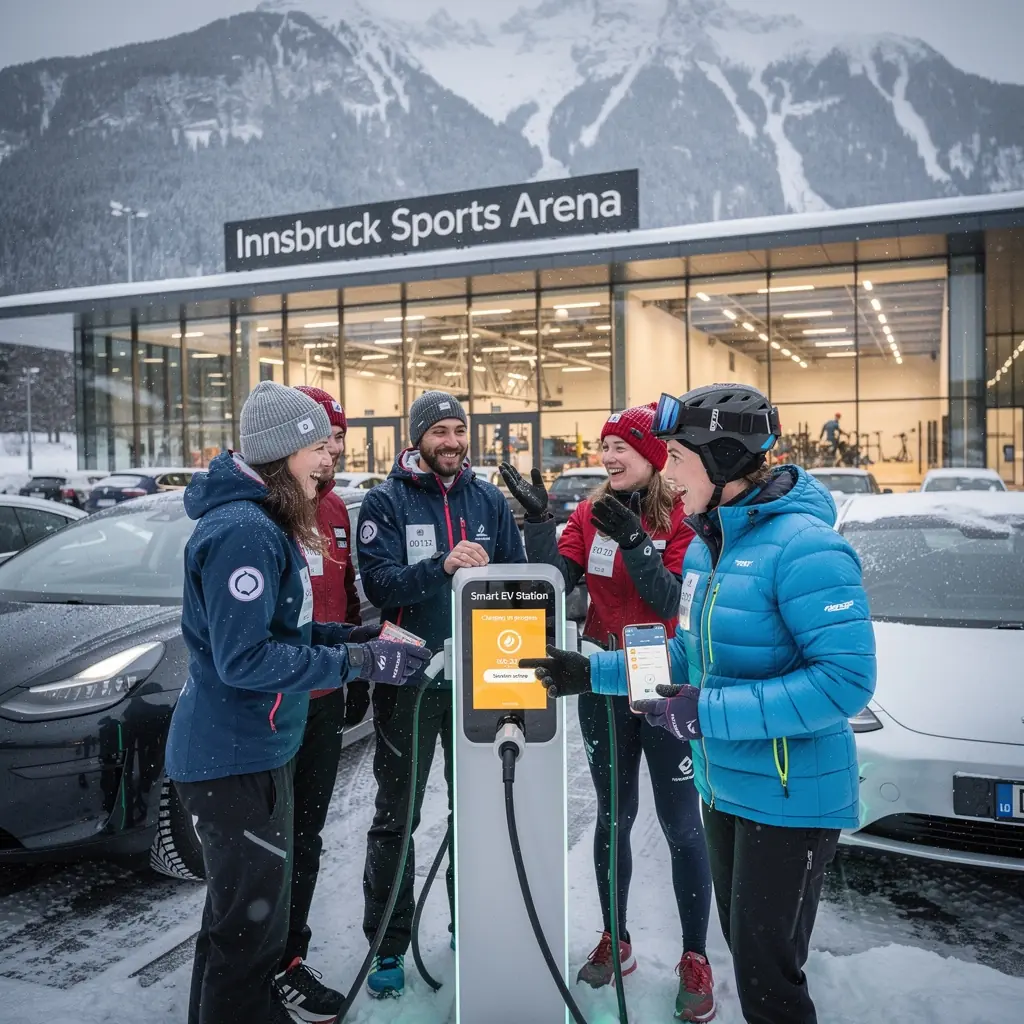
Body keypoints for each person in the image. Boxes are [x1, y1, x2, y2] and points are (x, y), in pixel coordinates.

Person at [524, 383, 876, 1024]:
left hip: (791, 796)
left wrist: (704, 714)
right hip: (730, 786)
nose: (669, 472)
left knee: (769, 982)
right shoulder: (715, 547)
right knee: (751, 959)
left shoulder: (806, 547)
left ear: (719, 459)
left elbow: (843, 682)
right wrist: (591, 671)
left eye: (678, 458)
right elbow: (686, 659)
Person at [165, 381, 431, 1024]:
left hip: (253, 750)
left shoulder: (264, 521)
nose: (329, 458)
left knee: (236, 921)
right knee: (247, 933)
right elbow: (244, 659)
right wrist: (357, 662)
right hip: (233, 756)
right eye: (318, 446)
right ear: (283, 453)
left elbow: (279, 630)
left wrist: (354, 633)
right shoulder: (244, 532)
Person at [500, 405, 715, 1023]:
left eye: (623, 447)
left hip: (660, 674)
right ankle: (615, 937)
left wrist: (636, 542)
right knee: (614, 814)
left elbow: (672, 599)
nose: (610, 457)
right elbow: (552, 580)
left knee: (680, 823)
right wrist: (539, 522)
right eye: (605, 447)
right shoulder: (591, 512)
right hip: (598, 673)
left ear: (653, 455)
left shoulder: (683, 515)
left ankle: (695, 956)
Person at [356, 391, 527, 999]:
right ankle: (387, 945)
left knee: (474, 810)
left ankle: (468, 919)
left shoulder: (486, 499)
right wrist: (441, 568)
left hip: (475, 681)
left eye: (459, 430)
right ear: (418, 438)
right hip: (408, 682)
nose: (452, 441)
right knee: (396, 816)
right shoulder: (386, 500)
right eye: (440, 431)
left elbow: (518, 578)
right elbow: (377, 583)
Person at [273, 386, 378, 1022]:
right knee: (266, 842)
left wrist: (353, 671)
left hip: (323, 693)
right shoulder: (270, 512)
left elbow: (343, 594)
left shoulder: (335, 510)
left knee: (306, 834)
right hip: (271, 704)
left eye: (338, 436)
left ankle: (290, 956)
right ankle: (251, 959)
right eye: (323, 438)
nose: (334, 449)